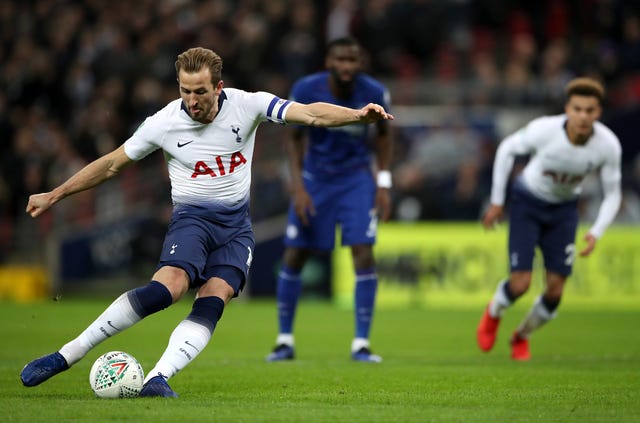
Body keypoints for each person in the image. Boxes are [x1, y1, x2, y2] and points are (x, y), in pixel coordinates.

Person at [19, 46, 393, 397]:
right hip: (192, 219)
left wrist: (357, 115)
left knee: (216, 296)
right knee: (168, 288)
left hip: (236, 227)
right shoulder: (162, 123)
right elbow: (113, 163)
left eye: (200, 91)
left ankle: (157, 378)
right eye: (185, 91)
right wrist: (55, 193)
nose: (192, 100)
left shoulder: (249, 105)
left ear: (219, 86)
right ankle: (68, 354)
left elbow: (310, 113)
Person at [265, 37, 393, 363]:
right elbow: (293, 137)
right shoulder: (306, 88)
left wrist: (383, 183)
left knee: (363, 253)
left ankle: (361, 344)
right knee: (296, 254)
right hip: (315, 179)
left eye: (353, 60)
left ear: (360, 63)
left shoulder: (375, 92)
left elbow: (383, 138)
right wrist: (298, 187)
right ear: (329, 61)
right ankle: (284, 341)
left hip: (355, 180)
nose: (347, 67)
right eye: (341, 60)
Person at [477, 77, 622, 360]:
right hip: (528, 203)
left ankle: (521, 336)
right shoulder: (545, 130)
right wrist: (497, 201)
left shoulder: (608, 146)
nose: (582, 116)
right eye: (577, 109)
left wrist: (597, 231)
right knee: (520, 284)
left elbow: (613, 194)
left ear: (598, 113)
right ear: (567, 109)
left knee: (555, 292)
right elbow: (507, 148)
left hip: (564, 210)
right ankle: (494, 312)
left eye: (589, 110)